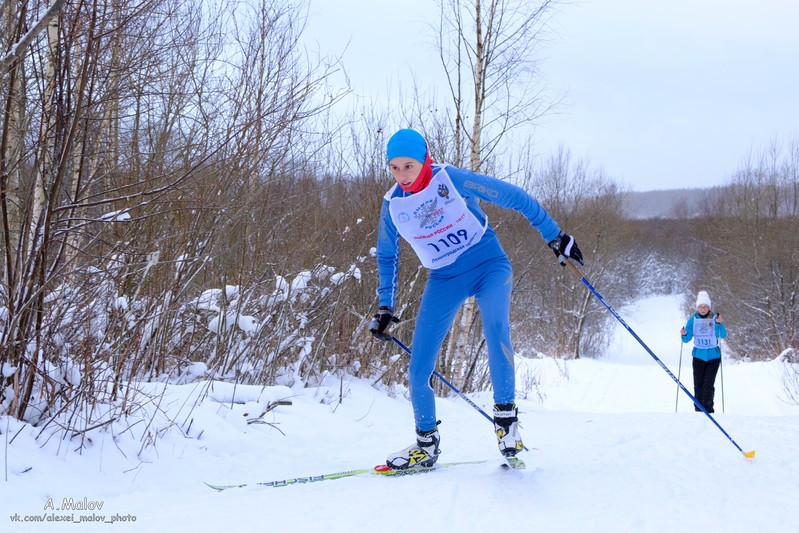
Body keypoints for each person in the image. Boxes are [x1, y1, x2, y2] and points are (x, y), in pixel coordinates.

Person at [369, 128, 583, 469]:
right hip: (444, 278)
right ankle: (426, 444)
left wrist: (555, 236)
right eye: (394, 168)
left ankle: (506, 423)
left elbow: (514, 197)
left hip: (489, 266)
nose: (402, 175)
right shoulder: (393, 204)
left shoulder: (450, 179)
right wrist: (385, 304)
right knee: (418, 367)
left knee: (496, 328)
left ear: (424, 158)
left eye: (408, 165)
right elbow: (386, 254)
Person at [680, 290, 727, 413]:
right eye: (700, 306)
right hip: (698, 356)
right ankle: (698, 409)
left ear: (709, 307)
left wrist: (719, 324)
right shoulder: (692, 319)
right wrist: (684, 334)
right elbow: (687, 339)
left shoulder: (715, 318)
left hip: (713, 357)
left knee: (708, 385)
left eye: (705, 306)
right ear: (697, 307)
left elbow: (722, 335)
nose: (703, 309)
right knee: (698, 384)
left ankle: (708, 409)